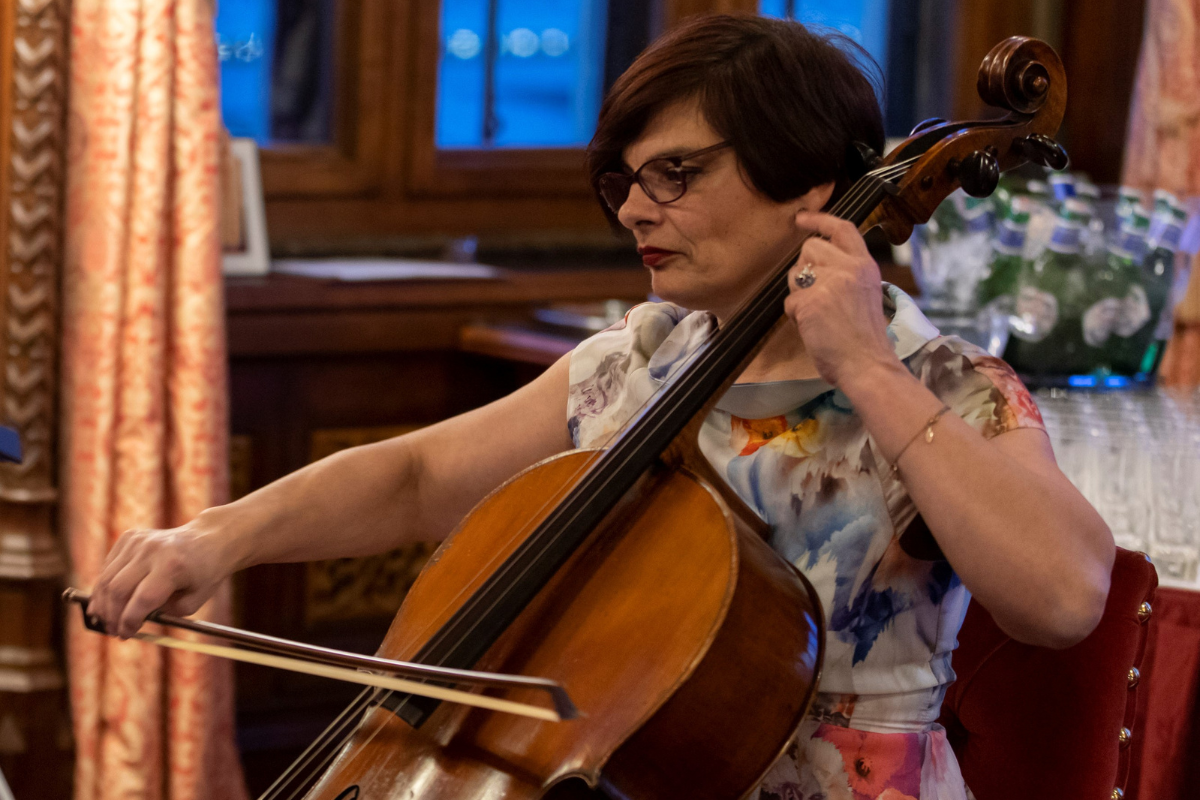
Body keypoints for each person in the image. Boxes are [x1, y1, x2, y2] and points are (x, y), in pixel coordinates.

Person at [86, 14, 1114, 800]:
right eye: (626, 179)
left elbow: (1065, 598)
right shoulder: (641, 362)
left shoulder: (942, 383)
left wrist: (869, 369)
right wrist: (213, 538)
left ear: (814, 186)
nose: (633, 207)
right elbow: (413, 477)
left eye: (678, 173)